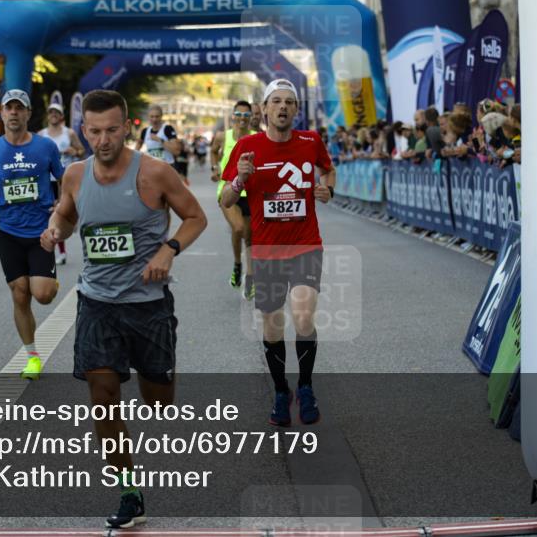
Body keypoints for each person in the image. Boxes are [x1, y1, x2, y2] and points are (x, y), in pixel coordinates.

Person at [40, 89, 206, 529]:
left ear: (128, 126)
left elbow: (196, 218)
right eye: (94, 131)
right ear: (83, 130)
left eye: (112, 129)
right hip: (96, 302)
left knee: (158, 402)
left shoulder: (156, 173)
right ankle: (130, 489)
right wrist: (55, 228)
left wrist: (168, 250)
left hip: (148, 305)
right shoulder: (75, 174)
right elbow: (67, 214)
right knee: (103, 396)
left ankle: (161, 371)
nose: (103, 139)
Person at [221, 79, 335, 427]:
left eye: (289, 102)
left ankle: (305, 386)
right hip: (267, 251)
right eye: (276, 102)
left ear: (296, 110)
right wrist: (240, 180)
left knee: (302, 319)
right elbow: (225, 200)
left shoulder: (310, 141)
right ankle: (281, 391)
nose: (283, 107)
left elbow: (327, 170)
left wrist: (327, 188)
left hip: (305, 245)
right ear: (265, 109)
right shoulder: (247, 146)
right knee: (272, 325)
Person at [0, 89, 65, 380]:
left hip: (40, 231)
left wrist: (61, 206)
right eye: (9, 108)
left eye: (20, 108)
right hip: (8, 231)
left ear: (29, 114)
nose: (14, 113)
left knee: (41, 294)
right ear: (2, 114)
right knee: (19, 293)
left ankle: (49, 279)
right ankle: (32, 356)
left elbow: (64, 180)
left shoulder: (46, 147)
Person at [210, 100, 258, 298]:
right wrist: (215, 168)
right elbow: (213, 151)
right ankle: (238, 264)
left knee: (249, 236)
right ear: (233, 116)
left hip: (252, 193)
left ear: (251, 118)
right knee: (238, 228)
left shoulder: (258, 137)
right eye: (238, 115)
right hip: (228, 192)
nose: (242, 119)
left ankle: (250, 276)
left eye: (246, 116)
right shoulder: (223, 136)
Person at [38, 101, 85, 264]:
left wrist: (75, 151)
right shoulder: (41, 134)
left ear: (61, 116)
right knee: (50, 214)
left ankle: (71, 222)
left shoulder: (69, 133)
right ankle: (58, 251)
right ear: (47, 116)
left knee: (60, 212)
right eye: (51, 112)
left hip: (65, 179)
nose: (53, 115)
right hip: (47, 180)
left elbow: (81, 151)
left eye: (56, 113)